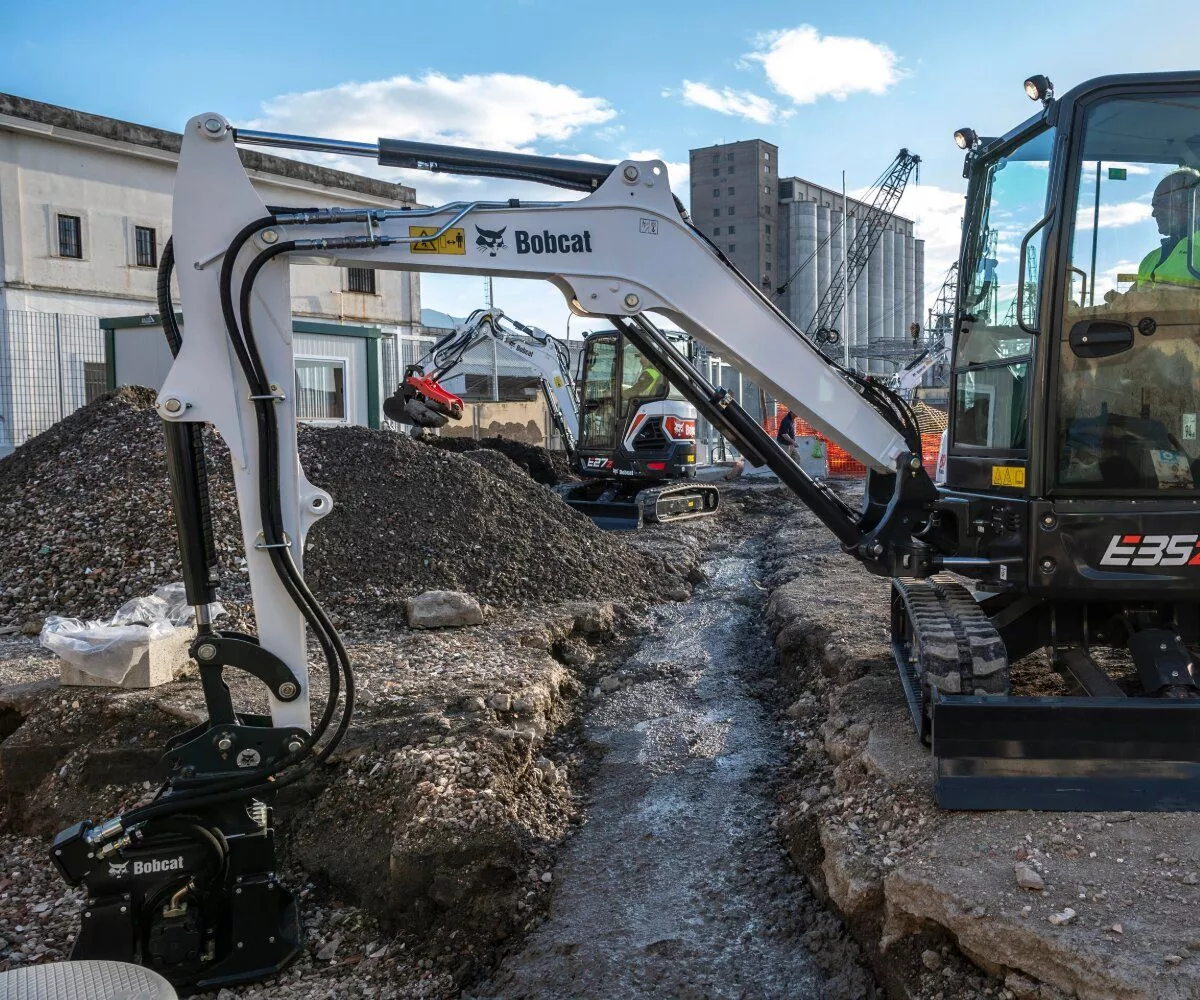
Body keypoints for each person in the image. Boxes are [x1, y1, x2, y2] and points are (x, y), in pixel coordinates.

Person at [1137, 168, 1200, 289]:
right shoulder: (1149, 260)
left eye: (1162, 203)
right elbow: (1131, 303)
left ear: (1193, 200)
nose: (1154, 213)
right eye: (1155, 206)